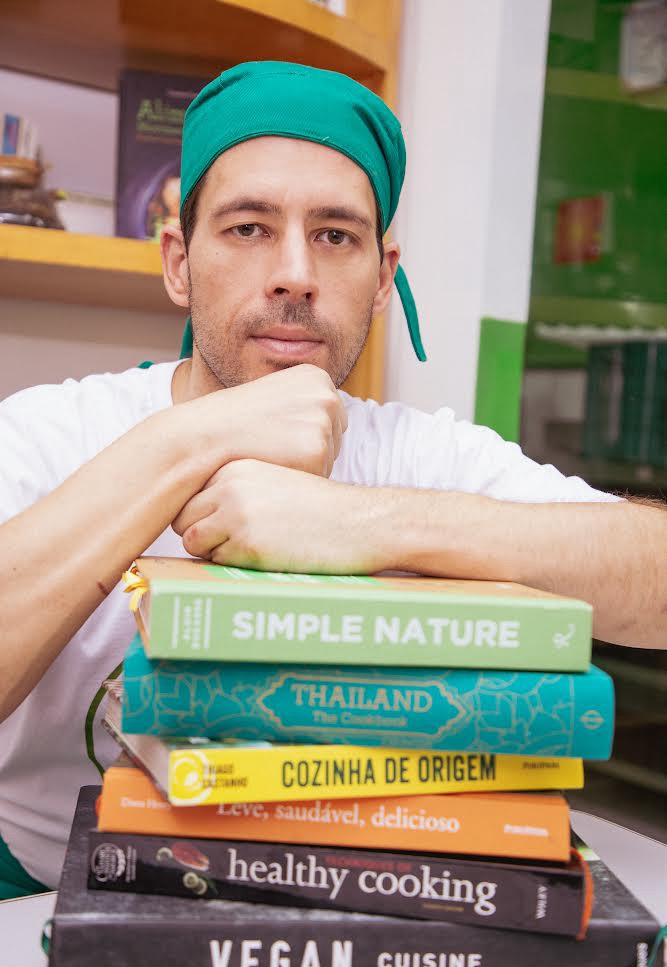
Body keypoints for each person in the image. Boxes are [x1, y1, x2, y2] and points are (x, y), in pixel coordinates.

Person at [0, 61, 664, 897]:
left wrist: (367, 523)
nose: (295, 273)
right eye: (247, 227)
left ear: (382, 279)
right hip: (34, 891)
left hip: (341, 892)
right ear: (178, 261)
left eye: (335, 236)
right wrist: (186, 444)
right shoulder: (46, 434)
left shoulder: (419, 455)